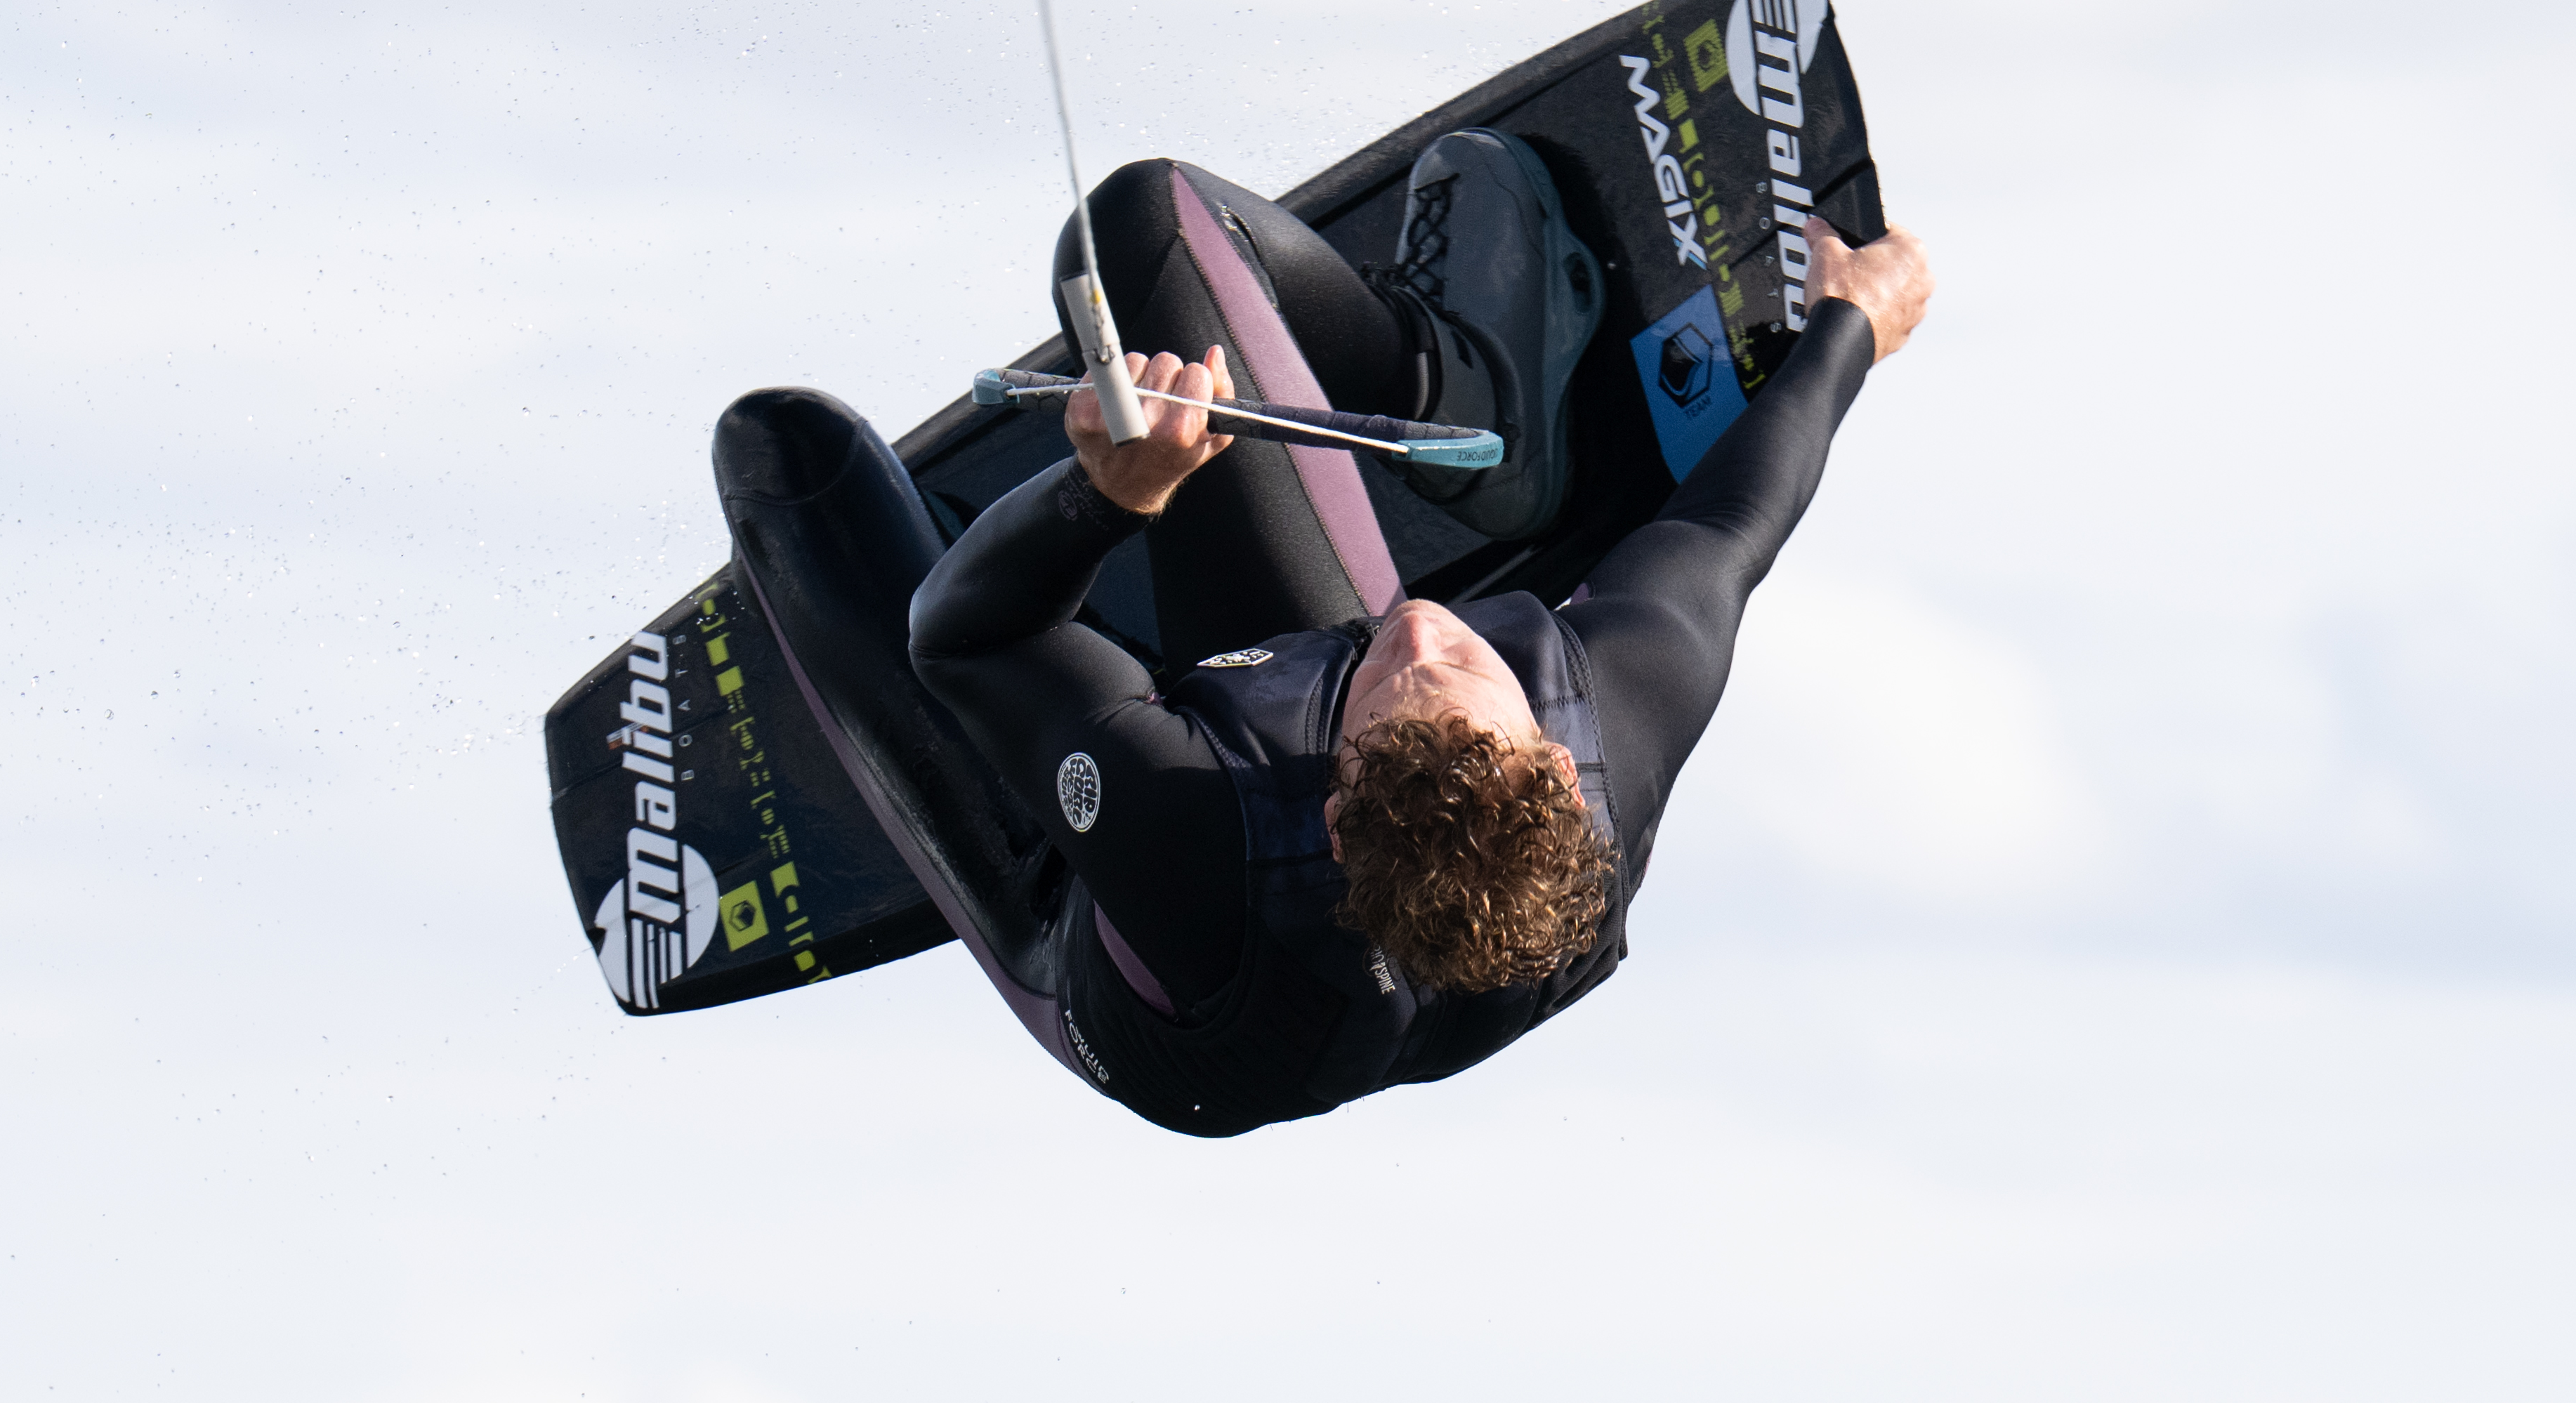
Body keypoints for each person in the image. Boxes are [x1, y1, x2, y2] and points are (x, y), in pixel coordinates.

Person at [704, 133, 1930, 1136]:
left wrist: (1106, 498)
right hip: (1310, 800)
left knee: (783, 452)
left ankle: (1041, 655)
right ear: (1556, 764)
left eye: (1393, 680)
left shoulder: (1183, 818)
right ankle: (1461, 389)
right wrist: (1852, 326)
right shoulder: (1624, 709)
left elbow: (961, 639)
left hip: (1104, 952)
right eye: (1461, 671)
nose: (1421, 634)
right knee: (1141, 224)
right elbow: (1733, 519)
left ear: (1335, 808)